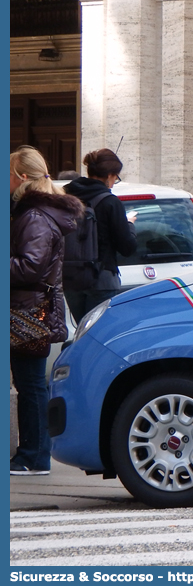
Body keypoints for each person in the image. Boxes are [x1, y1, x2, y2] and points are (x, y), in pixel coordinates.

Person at [10, 146, 84, 476]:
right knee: (32, 384)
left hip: (28, 311)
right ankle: (33, 454)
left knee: (31, 385)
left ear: (22, 177)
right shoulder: (37, 213)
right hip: (32, 310)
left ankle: (33, 456)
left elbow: (30, 268)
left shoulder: (35, 216)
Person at [63, 149, 137, 321]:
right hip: (102, 279)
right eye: (115, 178)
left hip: (70, 277)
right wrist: (129, 224)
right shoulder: (110, 202)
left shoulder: (66, 196)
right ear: (109, 175)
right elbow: (127, 248)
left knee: (82, 332)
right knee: (99, 335)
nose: (114, 183)